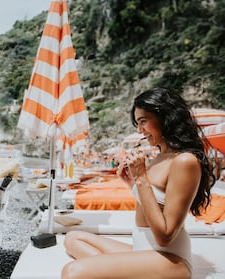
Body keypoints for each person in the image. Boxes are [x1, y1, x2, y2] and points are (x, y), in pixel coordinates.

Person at [62, 88, 215, 279]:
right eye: (137, 123)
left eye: (143, 121)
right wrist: (132, 183)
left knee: (73, 271)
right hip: (143, 249)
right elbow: (153, 202)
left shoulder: (185, 161)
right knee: (73, 238)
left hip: (170, 259)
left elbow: (165, 236)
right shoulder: (159, 157)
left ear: (165, 117)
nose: (139, 130)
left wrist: (141, 178)